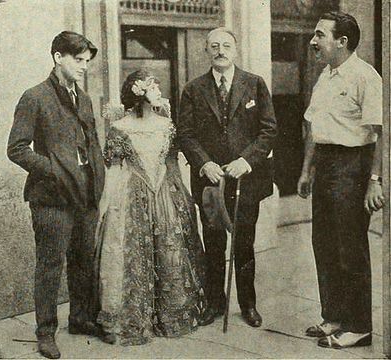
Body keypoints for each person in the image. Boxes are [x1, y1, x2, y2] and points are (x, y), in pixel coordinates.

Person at [7, 31, 106, 359]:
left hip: (84, 196)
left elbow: (90, 143)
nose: (84, 67)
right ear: (57, 57)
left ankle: (80, 318)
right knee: (50, 266)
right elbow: (16, 149)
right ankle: (45, 332)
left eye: (87, 62)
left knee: (82, 261)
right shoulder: (34, 97)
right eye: (78, 60)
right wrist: (52, 169)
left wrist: (96, 180)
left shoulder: (85, 98)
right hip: (51, 198)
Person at [95, 70, 205, 346]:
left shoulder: (167, 125)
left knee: (169, 248)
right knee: (131, 253)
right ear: (138, 92)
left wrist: (179, 196)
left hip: (165, 191)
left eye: (157, 85)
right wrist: (106, 205)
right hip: (131, 194)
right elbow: (113, 168)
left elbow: (172, 163)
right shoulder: (120, 128)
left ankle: (169, 315)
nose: (158, 90)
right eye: (152, 86)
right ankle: (133, 318)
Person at [177, 27, 277, 327]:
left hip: (246, 179)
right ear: (207, 51)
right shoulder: (193, 89)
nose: (221, 50)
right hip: (210, 182)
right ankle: (215, 303)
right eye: (215, 46)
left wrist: (247, 160)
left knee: (245, 243)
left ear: (236, 50)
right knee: (214, 243)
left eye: (226, 46)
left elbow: (269, 130)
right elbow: (185, 133)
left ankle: (248, 305)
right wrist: (204, 163)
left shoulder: (254, 84)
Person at [297, 11, 384, 349]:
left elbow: (381, 134)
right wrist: (307, 170)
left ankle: (359, 325)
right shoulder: (325, 76)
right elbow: (314, 129)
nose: (313, 41)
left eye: (320, 35)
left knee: (350, 247)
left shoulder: (365, 77)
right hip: (327, 164)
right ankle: (334, 316)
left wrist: (375, 180)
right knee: (325, 243)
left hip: (355, 164)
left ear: (342, 41)